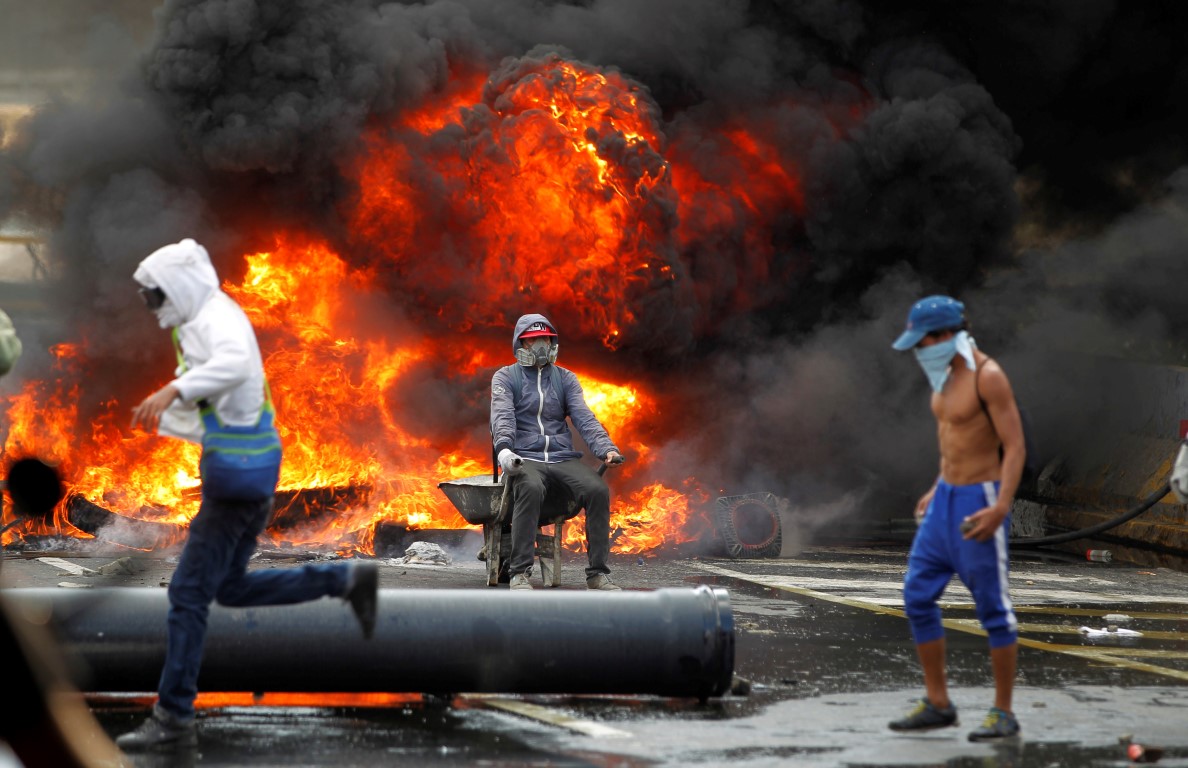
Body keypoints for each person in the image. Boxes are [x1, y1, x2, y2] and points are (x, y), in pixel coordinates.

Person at [116, 239, 378, 750]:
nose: (153, 309)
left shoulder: (217, 318)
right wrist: (177, 409)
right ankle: (343, 579)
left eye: (155, 296)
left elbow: (234, 366)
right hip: (246, 472)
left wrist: (174, 392)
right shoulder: (200, 319)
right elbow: (223, 393)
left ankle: (173, 716)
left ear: (178, 286)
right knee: (229, 588)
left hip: (237, 478)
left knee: (187, 594)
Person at [888, 295, 1024, 742]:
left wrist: (1002, 505)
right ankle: (938, 703)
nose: (919, 350)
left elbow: (1014, 446)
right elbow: (953, 441)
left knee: (994, 611)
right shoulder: (943, 373)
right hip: (944, 498)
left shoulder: (990, 376)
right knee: (916, 595)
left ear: (946, 335)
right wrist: (937, 485)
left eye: (923, 341)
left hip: (978, 501)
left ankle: (1003, 712)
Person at [490, 313, 623, 591]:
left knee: (597, 490)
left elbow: (584, 417)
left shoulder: (565, 379)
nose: (540, 346)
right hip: (525, 457)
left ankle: (597, 574)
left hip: (562, 457)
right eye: (533, 340)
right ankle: (519, 573)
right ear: (521, 345)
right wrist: (505, 452)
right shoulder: (506, 377)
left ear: (553, 343)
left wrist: (606, 449)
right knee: (529, 487)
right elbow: (502, 417)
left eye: (546, 340)